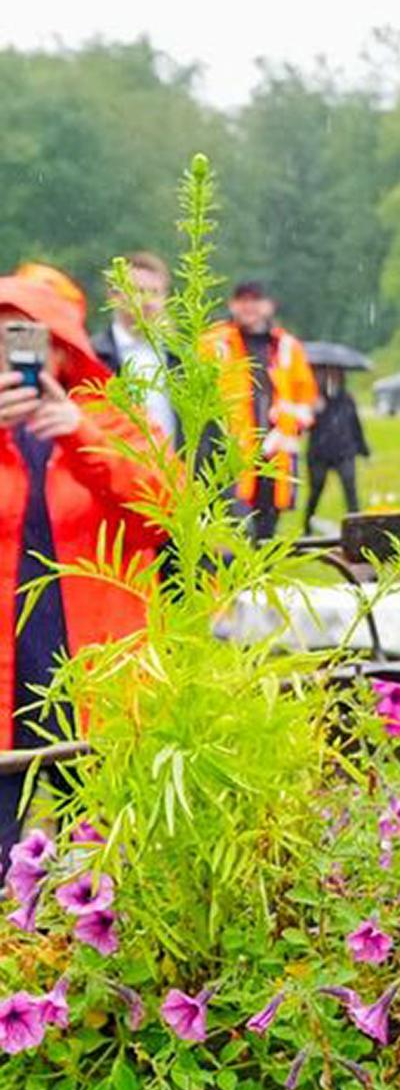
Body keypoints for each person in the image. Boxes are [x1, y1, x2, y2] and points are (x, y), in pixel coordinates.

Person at [0, 266, 163, 848]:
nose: (11, 354)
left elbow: (162, 513)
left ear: (64, 347)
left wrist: (80, 434)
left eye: (26, 337)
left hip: (93, 659)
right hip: (8, 661)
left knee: (101, 837)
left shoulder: (114, 419)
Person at [198, 281, 317, 539]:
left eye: (255, 300)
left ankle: (262, 575)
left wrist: (286, 426)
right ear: (232, 305)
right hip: (230, 454)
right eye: (242, 299)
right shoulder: (216, 341)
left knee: (267, 531)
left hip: (275, 456)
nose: (248, 306)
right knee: (232, 527)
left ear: (269, 306)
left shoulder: (286, 347)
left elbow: (305, 400)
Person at [90, 250, 179, 445]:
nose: (147, 301)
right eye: (138, 291)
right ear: (114, 295)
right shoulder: (94, 355)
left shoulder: (182, 357)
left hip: (177, 470)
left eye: (155, 292)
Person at [305, 364, 371, 526]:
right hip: (320, 452)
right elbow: (305, 424)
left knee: (350, 490)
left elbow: (355, 425)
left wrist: (364, 449)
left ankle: (357, 525)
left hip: (344, 451)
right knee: (316, 490)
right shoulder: (316, 399)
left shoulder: (347, 399)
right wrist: (313, 410)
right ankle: (307, 522)